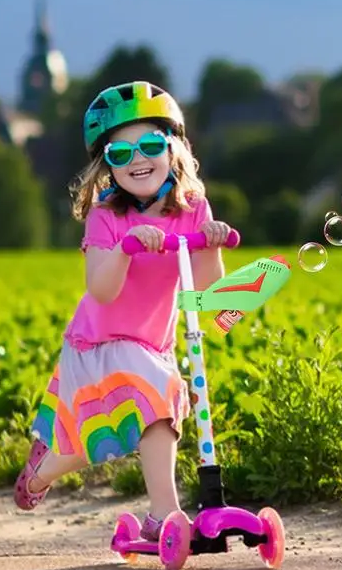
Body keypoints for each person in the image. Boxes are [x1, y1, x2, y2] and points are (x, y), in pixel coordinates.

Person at [13, 81, 232, 541]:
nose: (137, 160)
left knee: (96, 441)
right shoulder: (106, 217)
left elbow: (209, 290)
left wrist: (210, 243)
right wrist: (126, 249)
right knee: (158, 402)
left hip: (153, 344)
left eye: (151, 145)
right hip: (98, 342)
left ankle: (40, 473)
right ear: (105, 165)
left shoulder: (193, 208)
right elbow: (101, 290)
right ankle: (164, 515)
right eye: (120, 153)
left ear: (173, 149)